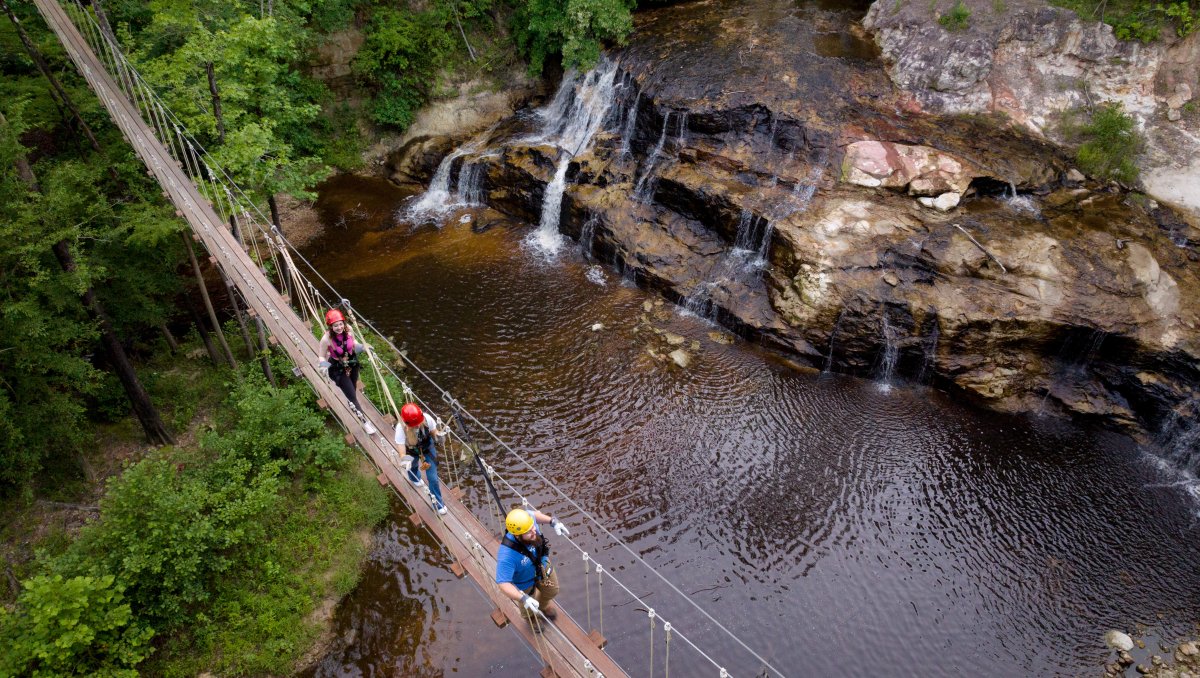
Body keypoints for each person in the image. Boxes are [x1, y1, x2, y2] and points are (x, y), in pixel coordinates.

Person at [495, 507, 570, 626]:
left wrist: (552, 521)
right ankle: (531, 618)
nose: (534, 531)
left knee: (552, 591)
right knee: (529, 604)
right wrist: (522, 598)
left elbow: (533, 515)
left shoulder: (527, 520)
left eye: (532, 527)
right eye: (529, 532)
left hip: (543, 567)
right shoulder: (506, 555)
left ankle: (543, 605)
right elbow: (503, 582)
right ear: (517, 536)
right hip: (525, 582)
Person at [318, 309, 376, 436]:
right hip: (338, 369)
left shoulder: (348, 329)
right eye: (335, 325)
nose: (339, 327)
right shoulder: (326, 339)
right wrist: (323, 366)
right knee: (352, 396)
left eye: (340, 324)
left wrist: (363, 347)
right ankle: (365, 422)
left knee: (352, 390)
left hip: (352, 364)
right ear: (330, 326)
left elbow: (354, 344)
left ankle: (352, 403)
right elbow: (321, 356)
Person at [394, 402, 449, 514]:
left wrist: (439, 437)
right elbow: (401, 449)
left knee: (433, 478)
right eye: (414, 425)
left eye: (418, 423)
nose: (418, 426)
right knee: (412, 466)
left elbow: (434, 432)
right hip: (411, 451)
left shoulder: (427, 419)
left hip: (427, 449)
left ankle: (438, 503)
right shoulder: (400, 428)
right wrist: (404, 460)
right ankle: (414, 478)